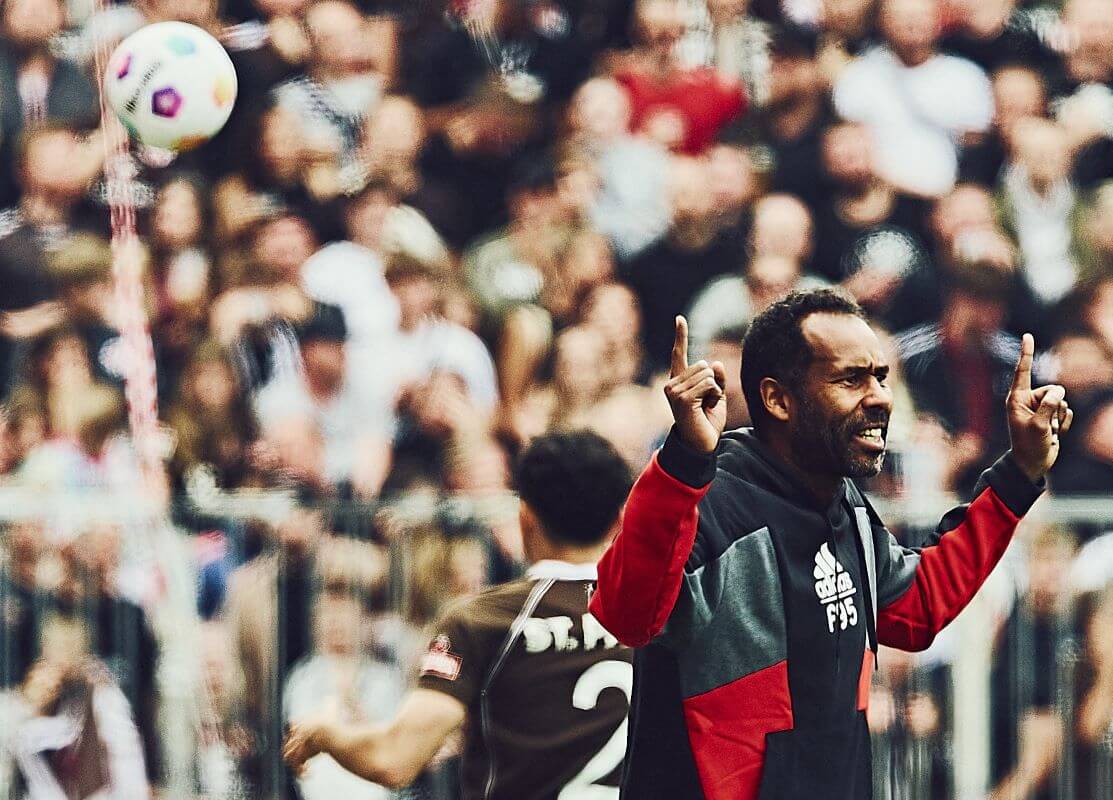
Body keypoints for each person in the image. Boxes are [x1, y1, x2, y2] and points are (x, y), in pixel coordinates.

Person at [588, 288, 1073, 799]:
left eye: (881, 377)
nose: (881, 397)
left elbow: (917, 606)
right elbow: (627, 615)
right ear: (778, 399)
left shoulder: (845, 504)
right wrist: (682, 463)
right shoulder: (708, 499)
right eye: (851, 379)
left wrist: (1019, 473)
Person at [283, 431, 636, 798]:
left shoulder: (482, 621)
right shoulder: (661, 617)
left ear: (525, 518)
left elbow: (394, 758)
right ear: (619, 520)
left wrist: (326, 732)